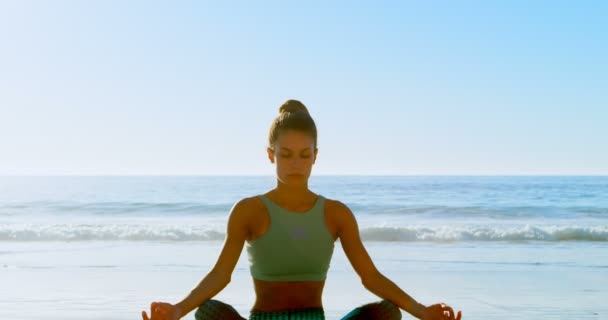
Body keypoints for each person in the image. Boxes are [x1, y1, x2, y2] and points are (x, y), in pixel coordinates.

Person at [141, 100, 463, 320]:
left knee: (388, 312)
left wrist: (422, 311)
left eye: (304, 154)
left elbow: (370, 276)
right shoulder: (249, 210)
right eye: (286, 154)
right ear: (271, 155)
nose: (295, 164)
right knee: (207, 311)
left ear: (315, 155)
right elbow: (220, 275)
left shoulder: (336, 214)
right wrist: (177, 310)